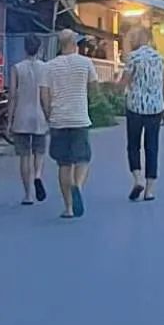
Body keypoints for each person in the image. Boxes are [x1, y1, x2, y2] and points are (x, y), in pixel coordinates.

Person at [41, 29, 99, 218]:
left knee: (64, 164)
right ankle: (78, 185)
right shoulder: (86, 63)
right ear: (74, 43)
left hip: (58, 120)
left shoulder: (49, 66)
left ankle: (68, 208)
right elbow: (94, 88)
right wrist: (89, 101)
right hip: (79, 117)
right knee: (83, 158)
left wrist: (49, 115)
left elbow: (44, 95)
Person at [122, 25, 164, 202]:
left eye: (134, 36)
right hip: (155, 108)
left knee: (133, 145)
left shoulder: (133, 58)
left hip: (135, 107)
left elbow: (125, 81)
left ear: (142, 38)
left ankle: (138, 179)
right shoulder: (160, 58)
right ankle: (149, 190)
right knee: (152, 147)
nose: (132, 39)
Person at [7, 33, 49, 206]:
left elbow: (12, 95)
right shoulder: (45, 68)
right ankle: (38, 175)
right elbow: (47, 94)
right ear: (39, 48)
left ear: (25, 48)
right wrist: (49, 115)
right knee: (39, 152)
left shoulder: (17, 68)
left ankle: (28, 195)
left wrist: (9, 120)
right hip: (40, 116)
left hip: (21, 116)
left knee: (24, 156)